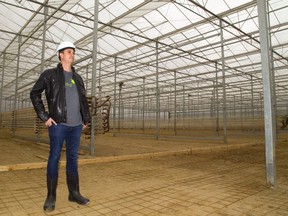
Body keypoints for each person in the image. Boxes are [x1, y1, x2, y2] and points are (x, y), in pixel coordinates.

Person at [30, 41, 91, 212]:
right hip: (58, 125)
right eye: (69, 51)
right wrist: (45, 117)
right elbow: (34, 94)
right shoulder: (49, 75)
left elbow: (83, 100)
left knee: (73, 158)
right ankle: (51, 196)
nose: (72, 54)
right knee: (54, 158)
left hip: (76, 126)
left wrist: (86, 119)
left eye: (73, 52)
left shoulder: (77, 78)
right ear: (60, 55)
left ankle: (74, 193)